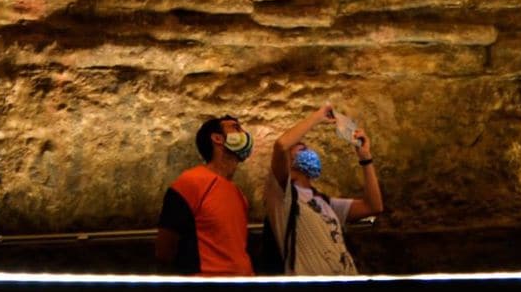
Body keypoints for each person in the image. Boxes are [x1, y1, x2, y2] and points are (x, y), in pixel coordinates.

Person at [263, 102, 383, 275]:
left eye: (307, 148)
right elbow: (281, 145)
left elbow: (373, 206)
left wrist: (366, 158)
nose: (307, 151)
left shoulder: (325, 203)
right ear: (287, 161)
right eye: (300, 148)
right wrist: (318, 116)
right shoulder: (282, 196)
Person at [155, 114, 255, 276]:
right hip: (208, 290)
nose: (244, 133)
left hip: (242, 288)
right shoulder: (191, 183)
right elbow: (165, 249)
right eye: (236, 128)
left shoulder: (238, 194)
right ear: (217, 138)